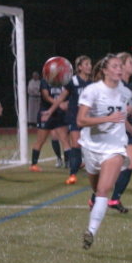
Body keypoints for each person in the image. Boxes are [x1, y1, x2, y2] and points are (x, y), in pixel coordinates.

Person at [78, 53, 132, 250]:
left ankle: (91, 231)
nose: (119, 69)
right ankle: (95, 202)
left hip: (115, 147)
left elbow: (121, 117)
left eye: (120, 66)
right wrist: (107, 119)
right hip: (92, 146)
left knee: (104, 190)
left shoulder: (126, 92)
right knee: (96, 189)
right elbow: (81, 120)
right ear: (104, 70)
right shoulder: (92, 91)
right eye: (114, 66)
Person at [41, 55, 92, 184]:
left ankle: (92, 168)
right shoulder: (72, 81)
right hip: (76, 119)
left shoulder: (92, 84)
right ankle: (72, 175)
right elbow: (60, 98)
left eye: (90, 64)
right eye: (86, 64)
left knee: (92, 147)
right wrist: (50, 111)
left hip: (89, 120)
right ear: (79, 67)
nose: (89, 66)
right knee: (76, 146)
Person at [107, 51, 132, 213]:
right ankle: (108, 199)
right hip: (117, 129)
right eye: (130, 63)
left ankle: (112, 199)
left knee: (125, 165)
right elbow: (117, 114)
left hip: (124, 127)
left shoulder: (129, 87)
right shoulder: (118, 86)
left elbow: (126, 110)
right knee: (118, 166)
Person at [29, 65, 70, 172]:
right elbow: (46, 96)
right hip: (46, 113)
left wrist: (66, 103)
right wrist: (59, 104)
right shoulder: (45, 81)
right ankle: (33, 164)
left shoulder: (64, 81)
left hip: (59, 114)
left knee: (65, 139)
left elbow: (67, 95)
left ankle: (68, 163)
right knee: (41, 140)